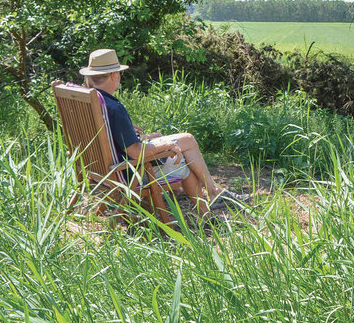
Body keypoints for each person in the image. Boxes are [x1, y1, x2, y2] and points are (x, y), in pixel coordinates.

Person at [78, 48, 241, 219]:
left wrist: (140, 137)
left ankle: (212, 195)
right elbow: (135, 152)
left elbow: (109, 137)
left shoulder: (91, 102)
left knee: (183, 143)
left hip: (97, 170)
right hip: (126, 173)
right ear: (114, 76)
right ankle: (209, 208)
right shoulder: (114, 108)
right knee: (186, 152)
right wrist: (167, 144)